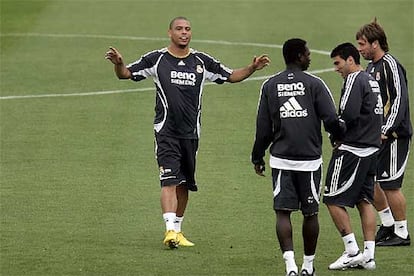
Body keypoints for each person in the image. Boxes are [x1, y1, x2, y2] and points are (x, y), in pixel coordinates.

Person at [105, 16, 270, 249]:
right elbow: (126, 74)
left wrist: (252, 67)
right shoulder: (157, 59)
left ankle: (178, 231)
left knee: (184, 184)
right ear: (169, 33)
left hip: (191, 134)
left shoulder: (201, 61)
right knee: (169, 180)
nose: (184, 33)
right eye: (179, 29)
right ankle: (169, 229)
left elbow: (231, 75)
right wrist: (118, 64)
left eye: (188, 29)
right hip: (166, 132)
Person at [251, 38, 342, 276]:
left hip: (281, 158)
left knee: (283, 212)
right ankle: (308, 267)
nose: (310, 57)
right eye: (307, 53)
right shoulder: (315, 84)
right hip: (310, 159)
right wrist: (338, 136)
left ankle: (290, 266)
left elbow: (263, 127)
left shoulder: (270, 85)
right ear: (299, 56)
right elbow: (331, 119)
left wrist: (257, 156)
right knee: (310, 213)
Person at [323, 43, 383, 270]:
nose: (336, 69)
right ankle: (368, 256)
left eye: (338, 63)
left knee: (332, 198)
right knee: (364, 200)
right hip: (371, 149)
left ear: (350, 60)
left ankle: (351, 250)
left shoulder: (354, 79)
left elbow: (346, 114)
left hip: (352, 150)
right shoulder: (371, 79)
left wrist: (335, 136)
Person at [356, 18, 412, 246]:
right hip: (375, 136)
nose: (359, 49)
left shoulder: (390, 64)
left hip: (395, 136)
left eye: (362, 44)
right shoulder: (371, 68)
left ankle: (402, 232)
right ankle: (388, 224)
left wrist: (386, 129)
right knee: (372, 182)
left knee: (390, 184)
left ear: (375, 43)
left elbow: (400, 98)